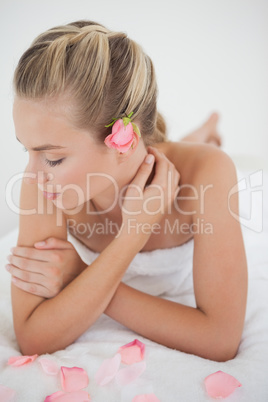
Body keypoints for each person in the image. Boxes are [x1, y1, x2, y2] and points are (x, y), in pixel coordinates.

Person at [7, 20, 247, 362]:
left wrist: (82, 274)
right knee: (161, 148)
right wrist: (130, 237)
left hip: (176, 165)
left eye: (53, 157)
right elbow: (33, 337)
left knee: (183, 151)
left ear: (122, 143)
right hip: (137, 158)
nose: (30, 176)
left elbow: (220, 339)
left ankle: (204, 132)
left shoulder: (209, 173)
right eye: (27, 150)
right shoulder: (44, 187)